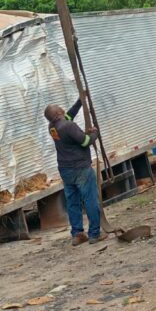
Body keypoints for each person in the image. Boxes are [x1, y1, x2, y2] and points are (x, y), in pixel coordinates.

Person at [44, 98, 106, 246]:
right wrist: (95, 133)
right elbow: (85, 142)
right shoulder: (69, 126)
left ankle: (77, 235)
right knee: (90, 200)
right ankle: (94, 234)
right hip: (80, 168)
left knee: (73, 202)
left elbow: (69, 117)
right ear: (58, 113)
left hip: (65, 170)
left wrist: (80, 102)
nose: (63, 109)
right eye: (60, 108)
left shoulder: (52, 126)